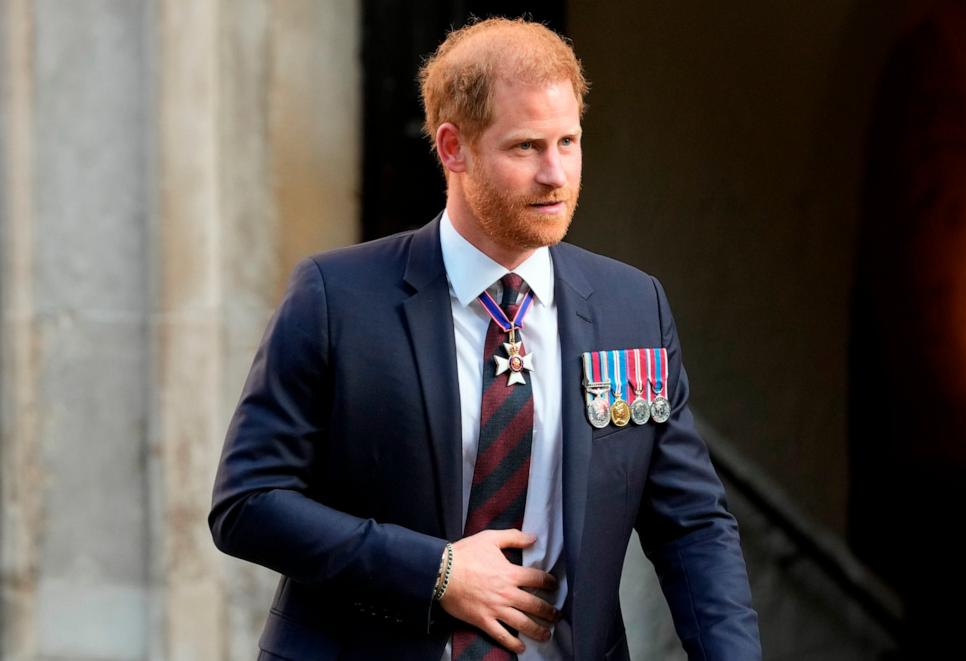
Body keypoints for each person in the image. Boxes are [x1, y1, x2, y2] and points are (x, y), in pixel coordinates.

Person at [209, 17, 761, 661]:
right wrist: (436, 572)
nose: (555, 174)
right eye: (526, 147)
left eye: (568, 141)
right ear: (453, 148)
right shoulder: (337, 297)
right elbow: (248, 504)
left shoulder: (632, 307)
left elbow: (690, 525)